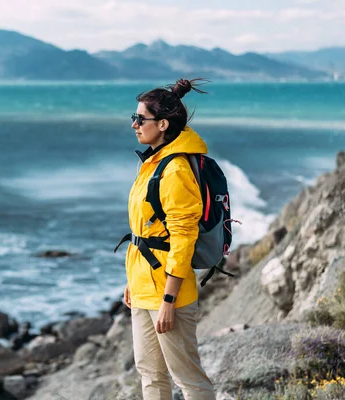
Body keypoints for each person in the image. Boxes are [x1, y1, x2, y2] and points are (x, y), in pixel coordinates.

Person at [122, 78, 215, 400]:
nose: (134, 125)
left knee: (188, 380)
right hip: (144, 287)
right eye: (133, 118)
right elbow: (145, 230)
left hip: (168, 292)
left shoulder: (174, 170)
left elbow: (182, 239)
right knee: (150, 374)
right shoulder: (151, 162)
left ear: (162, 124)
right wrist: (133, 281)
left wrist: (169, 301)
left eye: (140, 119)